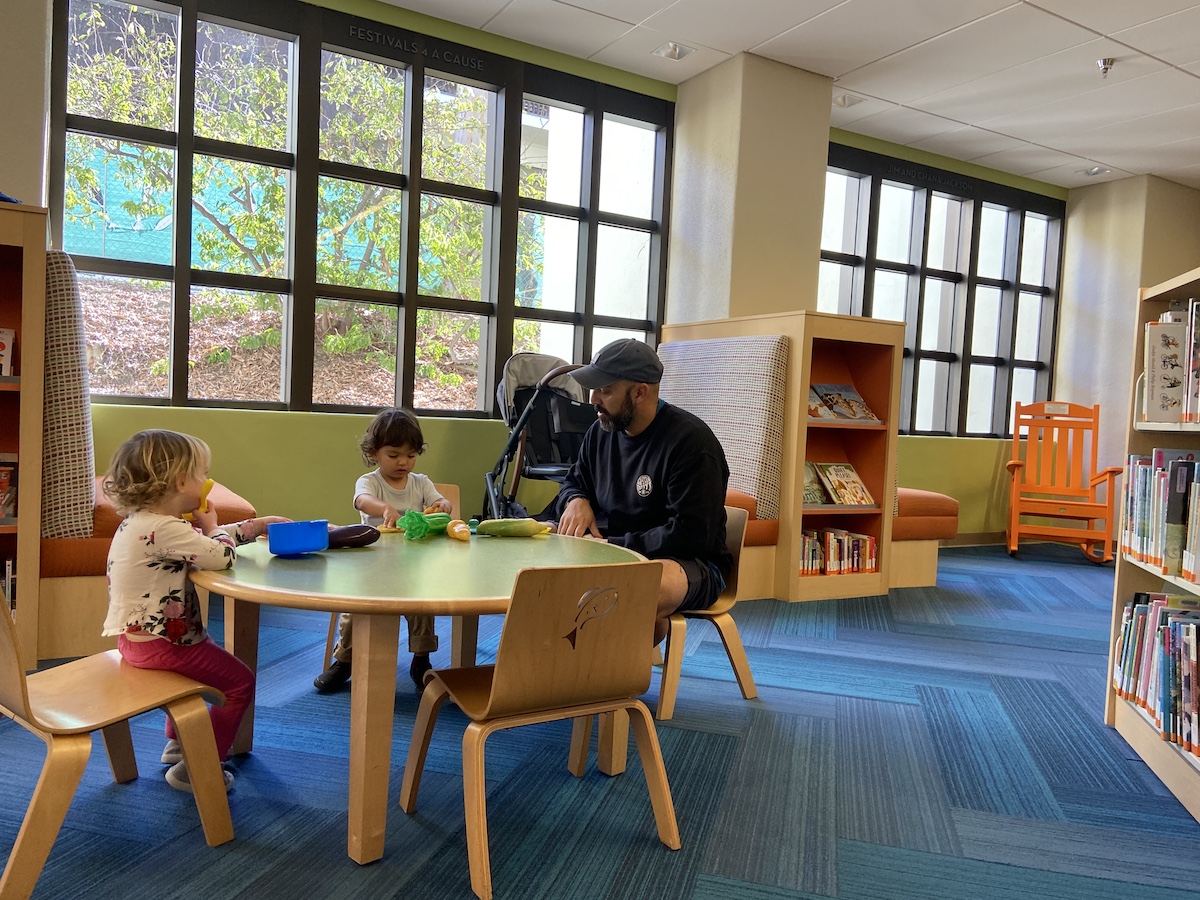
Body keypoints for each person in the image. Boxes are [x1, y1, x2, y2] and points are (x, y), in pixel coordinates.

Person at [101, 429, 290, 793]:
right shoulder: (164, 528)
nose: (207, 482)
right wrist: (215, 527)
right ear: (181, 481)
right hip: (165, 647)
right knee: (239, 683)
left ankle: (177, 743)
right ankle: (199, 765)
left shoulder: (144, 521)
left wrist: (255, 527)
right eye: (203, 474)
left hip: (136, 641)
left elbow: (200, 543)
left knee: (205, 659)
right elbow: (220, 555)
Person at [552, 338, 732, 645]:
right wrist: (576, 499)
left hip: (688, 563)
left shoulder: (692, 444)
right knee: (538, 553)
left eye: (605, 390)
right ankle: (563, 670)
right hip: (614, 552)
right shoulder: (601, 431)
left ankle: (600, 676)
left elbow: (690, 536)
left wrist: (611, 546)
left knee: (632, 586)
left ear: (639, 393)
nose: (593, 398)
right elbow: (574, 481)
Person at [313, 407, 452, 694]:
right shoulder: (370, 482)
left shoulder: (420, 482)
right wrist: (384, 507)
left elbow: (442, 502)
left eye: (411, 455)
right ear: (374, 452)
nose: (403, 462)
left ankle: (421, 660)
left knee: (423, 608)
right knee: (355, 609)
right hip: (372, 565)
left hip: (412, 564)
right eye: (394, 455)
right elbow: (363, 501)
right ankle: (344, 660)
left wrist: (443, 506)